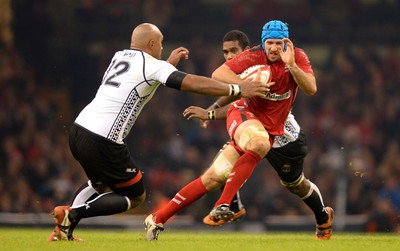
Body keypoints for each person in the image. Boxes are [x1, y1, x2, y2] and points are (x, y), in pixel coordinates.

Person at [47, 22, 269, 242]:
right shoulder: (153, 66)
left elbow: (142, 77)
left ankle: (62, 230)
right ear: (152, 43)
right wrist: (238, 88)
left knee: (99, 184)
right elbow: (190, 83)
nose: (162, 48)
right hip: (104, 139)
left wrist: (167, 65)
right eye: (161, 43)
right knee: (134, 196)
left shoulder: (119, 57)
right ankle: (72, 213)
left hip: (79, 130)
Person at [144, 21, 333, 241]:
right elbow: (232, 90)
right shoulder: (252, 60)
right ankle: (193, 211)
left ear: (286, 43)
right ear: (262, 43)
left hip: (283, 136)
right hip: (253, 127)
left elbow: (311, 88)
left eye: (278, 43)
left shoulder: (296, 56)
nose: (273, 48)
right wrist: (218, 106)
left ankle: (322, 215)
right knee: (219, 172)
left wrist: (291, 65)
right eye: (269, 43)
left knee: (296, 184)